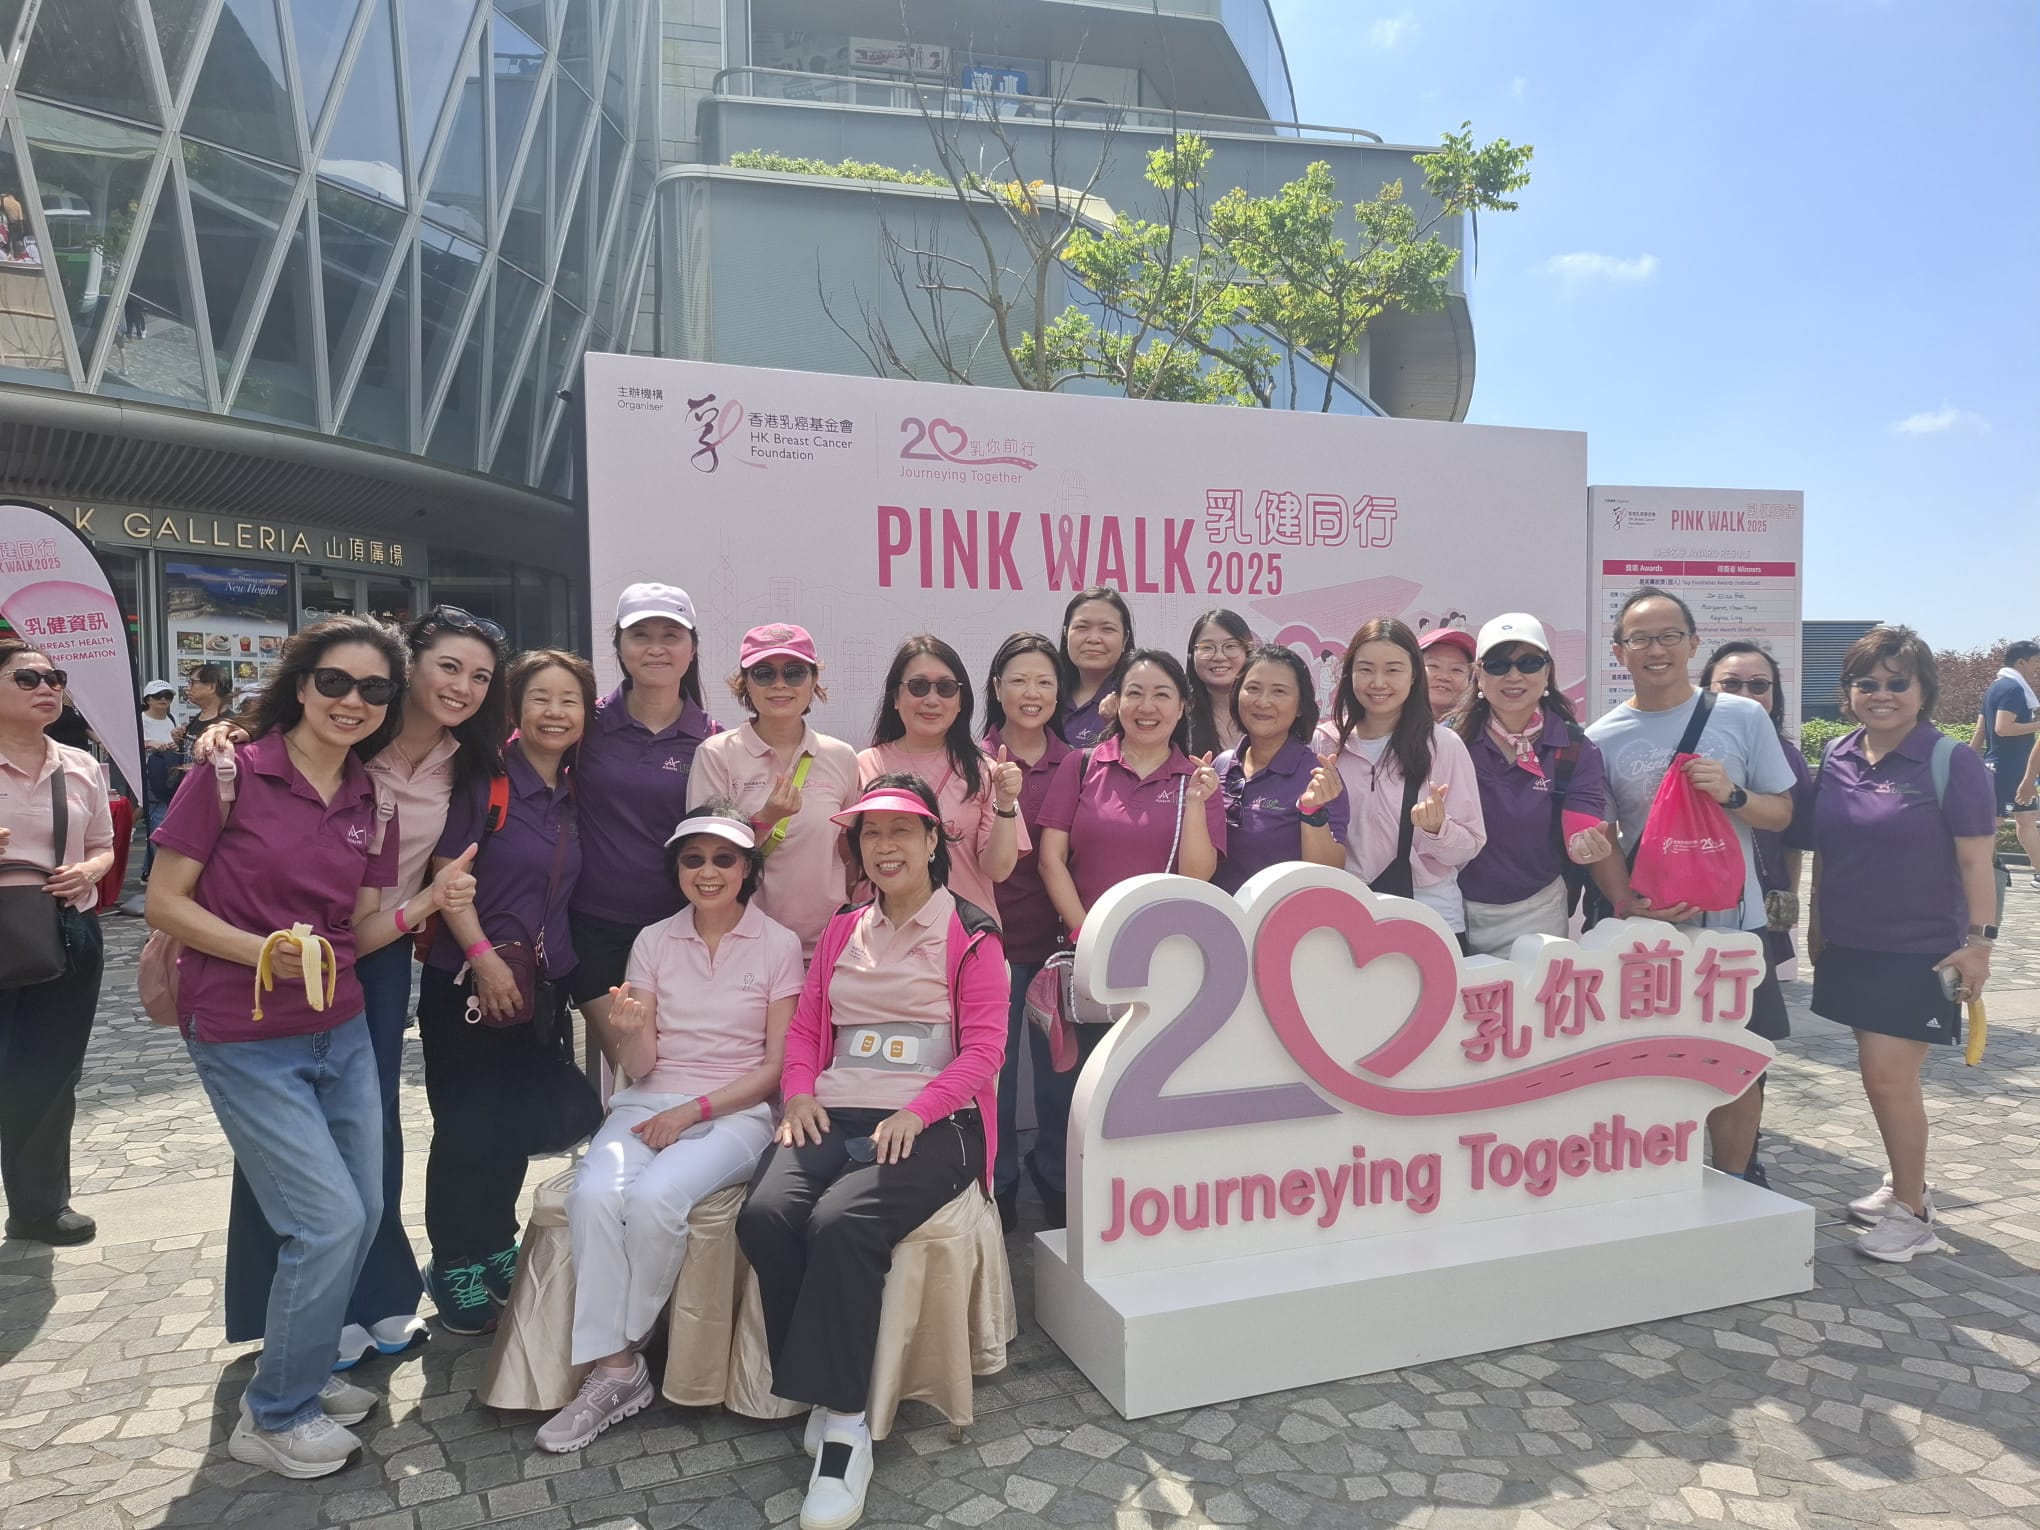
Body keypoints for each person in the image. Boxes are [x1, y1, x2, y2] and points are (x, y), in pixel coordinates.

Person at [147, 617, 477, 1477]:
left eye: (373, 689)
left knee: (360, 1212)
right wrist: (261, 952)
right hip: (244, 1035)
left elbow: (360, 932)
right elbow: (164, 901)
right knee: (323, 1221)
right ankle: (273, 1415)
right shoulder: (231, 773)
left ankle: (297, 1369)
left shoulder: (369, 799)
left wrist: (425, 903)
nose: (352, 701)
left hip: (341, 1029)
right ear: (301, 684)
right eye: (335, 681)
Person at [212, 607, 508, 1364]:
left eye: (480, 676)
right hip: (282, 949)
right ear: (410, 667)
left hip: (376, 950)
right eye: (449, 667)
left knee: (369, 1123)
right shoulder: (353, 731)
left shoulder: (467, 763)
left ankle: (377, 1296)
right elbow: (267, 760)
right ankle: (296, 1309)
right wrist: (227, 735)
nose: (463, 687)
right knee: (288, 1131)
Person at [735, 775, 1006, 1530]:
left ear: (932, 840)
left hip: (937, 1122)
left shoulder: (972, 934)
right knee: (766, 1214)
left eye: (901, 831)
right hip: (834, 1105)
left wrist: (918, 1111)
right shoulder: (842, 929)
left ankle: (846, 1427)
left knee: (842, 1222)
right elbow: (805, 1031)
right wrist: (798, 1093)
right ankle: (825, 1387)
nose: (885, 847)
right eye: (870, 833)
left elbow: (984, 1051)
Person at [538, 805, 799, 1453]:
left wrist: (692, 1112)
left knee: (658, 1197)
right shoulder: (653, 940)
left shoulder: (779, 944)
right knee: (593, 1194)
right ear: (676, 869)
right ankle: (618, 1371)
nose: (708, 872)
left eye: (724, 859)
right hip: (648, 1100)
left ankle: (623, 1344)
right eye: (693, 859)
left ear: (748, 868)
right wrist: (627, 1035)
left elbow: (774, 1069)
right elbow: (642, 1063)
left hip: (737, 1112)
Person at [1795, 627, 1996, 1261]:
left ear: (1923, 690)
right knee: (1877, 1072)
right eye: (1868, 683)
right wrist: (1815, 921)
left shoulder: (1950, 760)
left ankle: (1912, 1213)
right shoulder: (1838, 754)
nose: (1881, 694)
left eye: (1897, 682)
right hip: (1851, 943)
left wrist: (1980, 945)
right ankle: (1903, 1184)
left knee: (1888, 1078)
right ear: (1849, 692)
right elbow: (1826, 848)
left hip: (1920, 950)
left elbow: (1977, 861)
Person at [1585, 588, 1797, 1181]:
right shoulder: (1600, 737)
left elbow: (1781, 813)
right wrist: (1628, 904)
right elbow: (1601, 837)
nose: (1656, 650)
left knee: (1739, 1066)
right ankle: (1663, 1186)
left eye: (1669, 636)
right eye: (1640, 639)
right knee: (1652, 1067)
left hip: (1736, 929)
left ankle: (1737, 1183)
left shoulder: (1743, 717)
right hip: (1653, 936)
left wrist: (1733, 794)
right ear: (1619, 651)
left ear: (1693, 644)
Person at [416, 650, 591, 1334]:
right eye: (540, 698)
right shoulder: (483, 781)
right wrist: (484, 960)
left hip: (537, 992)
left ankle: (494, 1243)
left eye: (570, 700)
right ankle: (452, 1260)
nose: (556, 712)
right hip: (466, 985)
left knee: (512, 1126)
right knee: (466, 1128)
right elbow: (447, 880)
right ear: (514, 707)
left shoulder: (573, 792)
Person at [1035, 649, 1225, 1225]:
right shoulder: (1081, 765)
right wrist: (1087, 937)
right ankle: (1064, 1210)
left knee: (1144, 1094)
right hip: (1084, 962)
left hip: (1165, 974)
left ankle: (1137, 1210)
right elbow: (1050, 859)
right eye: (1135, 693)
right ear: (1116, 702)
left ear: (1183, 706)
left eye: (1163, 694)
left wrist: (1198, 805)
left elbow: (1197, 876)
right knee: (1070, 1094)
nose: (1148, 706)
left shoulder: (1197, 779)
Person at [0, 638, 115, 1246]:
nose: (47, 687)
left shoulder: (81, 764)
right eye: (27, 679)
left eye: (55, 678)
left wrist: (90, 871)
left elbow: (103, 844)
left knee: (48, 1071)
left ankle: (40, 1205)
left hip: (65, 931)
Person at [570, 585, 721, 1038]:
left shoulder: (714, 741)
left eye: (671, 635)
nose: (656, 648)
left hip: (683, 928)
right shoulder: (585, 724)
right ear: (619, 646)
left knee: (674, 1060)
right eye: (640, 635)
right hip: (596, 929)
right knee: (633, 1060)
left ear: (692, 649)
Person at [687, 624, 860, 959]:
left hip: (828, 946)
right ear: (746, 683)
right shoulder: (717, 754)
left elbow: (850, 851)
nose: (780, 684)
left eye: (794, 672)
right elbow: (705, 857)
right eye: (764, 673)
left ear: (813, 680)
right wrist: (765, 820)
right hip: (743, 945)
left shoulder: (842, 757)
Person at [1454, 614, 1619, 954]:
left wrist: (1583, 844)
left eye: (1529, 663)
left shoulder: (1575, 748)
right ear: (1479, 675)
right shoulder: (1448, 740)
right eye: (1498, 665)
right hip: (1450, 905)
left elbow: (1581, 821)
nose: (1514, 675)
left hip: (1536, 910)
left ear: (1547, 672)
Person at [1315, 619, 1486, 944]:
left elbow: (1470, 845)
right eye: (1366, 669)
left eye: (1393, 670)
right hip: (1344, 915)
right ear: (1349, 674)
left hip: (1428, 916)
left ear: (1413, 676)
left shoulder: (1443, 745)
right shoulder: (1325, 743)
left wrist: (1438, 829)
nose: (1378, 682)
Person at [981, 633, 1071, 1231]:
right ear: (996, 689)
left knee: (1062, 1079)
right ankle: (1000, 1184)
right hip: (990, 945)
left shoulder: (1080, 764)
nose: (1030, 693)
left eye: (1043, 681)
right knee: (997, 1076)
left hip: (1060, 948)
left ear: (1059, 692)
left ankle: (1058, 1179)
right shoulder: (974, 763)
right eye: (1018, 680)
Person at [858, 635, 1026, 921]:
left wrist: (1007, 804)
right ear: (895, 698)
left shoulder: (985, 771)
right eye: (918, 686)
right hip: (881, 933)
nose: (932, 700)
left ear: (960, 702)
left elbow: (998, 870)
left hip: (963, 932)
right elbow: (848, 861)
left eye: (946, 688)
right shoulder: (864, 766)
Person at [1213, 644, 1347, 892]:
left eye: (1279, 691)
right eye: (1253, 688)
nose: (1263, 701)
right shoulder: (1221, 765)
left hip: (1283, 913)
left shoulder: (1315, 775)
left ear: (1300, 707)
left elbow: (1329, 872)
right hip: (1219, 912)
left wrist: (1312, 811)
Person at [1978, 640, 2040, 890]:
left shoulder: (1994, 688)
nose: (2037, 669)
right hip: (2009, 766)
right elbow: (2003, 728)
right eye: (2036, 663)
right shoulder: (2014, 689)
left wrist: (1969, 758)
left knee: (2026, 818)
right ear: (2021, 662)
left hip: (2003, 764)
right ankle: (1987, 869)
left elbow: (1981, 729)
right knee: (1996, 821)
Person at [1057, 586, 1133, 747]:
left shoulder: (1133, 701)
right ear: (1066, 633)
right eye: (1082, 627)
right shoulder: (1048, 695)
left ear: (1125, 639)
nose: (1093, 639)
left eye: (1107, 629)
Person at [1184, 609, 1252, 758]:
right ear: (1192, 655)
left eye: (1230, 646)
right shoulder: (1178, 717)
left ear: (1248, 653)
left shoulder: (1263, 711)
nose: (1219, 657)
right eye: (1207, 647)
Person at [138, 680, 182, 877]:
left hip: (169, 773)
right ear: (147, 699)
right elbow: (129, 742)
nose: (163, 699)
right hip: (148, 774)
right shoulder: (139, 719)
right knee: (159, 818)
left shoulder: (171, 718)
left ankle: (149, 871)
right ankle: (158, 873)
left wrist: (175, 744)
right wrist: (150, 744)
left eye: (168, 696)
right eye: (158, 696)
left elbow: (178, 743)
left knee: (164, 818)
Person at [1418, 627, 1477, 723]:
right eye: (1433, 666)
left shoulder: (1478, 728)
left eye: (1456, 670)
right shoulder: (1393, 723)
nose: (1444, 677)